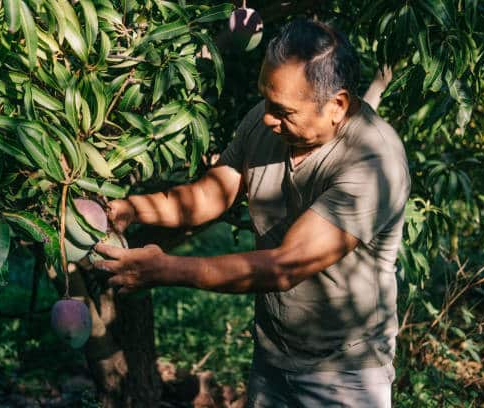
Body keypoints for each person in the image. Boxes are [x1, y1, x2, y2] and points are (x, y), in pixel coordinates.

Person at [91, 18, 411, 407]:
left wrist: (164, 269)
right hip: (273, 355)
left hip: (344, 373)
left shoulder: (374, 161)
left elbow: (285, 266)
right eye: (267, 100)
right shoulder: (270, 120)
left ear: (337, 105)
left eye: (283, 110)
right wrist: (130, 209)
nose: (267, 118)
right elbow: (212, 193)